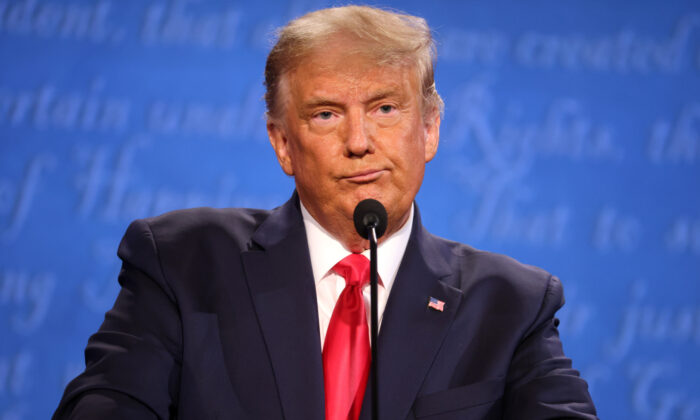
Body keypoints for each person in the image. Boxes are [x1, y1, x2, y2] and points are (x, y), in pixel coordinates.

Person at [54, 5, 597, 420]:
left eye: (385, 108)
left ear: (429, 129)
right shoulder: (183, 263)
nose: (359, 141)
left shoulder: (510, 305)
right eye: (325, 114)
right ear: (283, 143)